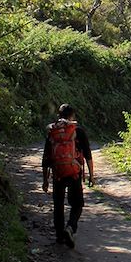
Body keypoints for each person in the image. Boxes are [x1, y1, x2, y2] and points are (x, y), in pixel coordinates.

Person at [42, 104, 94, 248]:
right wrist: (91, 175)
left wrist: (45, 180)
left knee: (58, 205)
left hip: (58, 172)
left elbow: (46, 158)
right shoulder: (77, 130)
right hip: (74, 172)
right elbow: (88, 155)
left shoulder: (53, 131)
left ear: (59, 116)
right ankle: (70, 228)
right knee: (77, 203)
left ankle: (59, 236)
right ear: (72, 116)